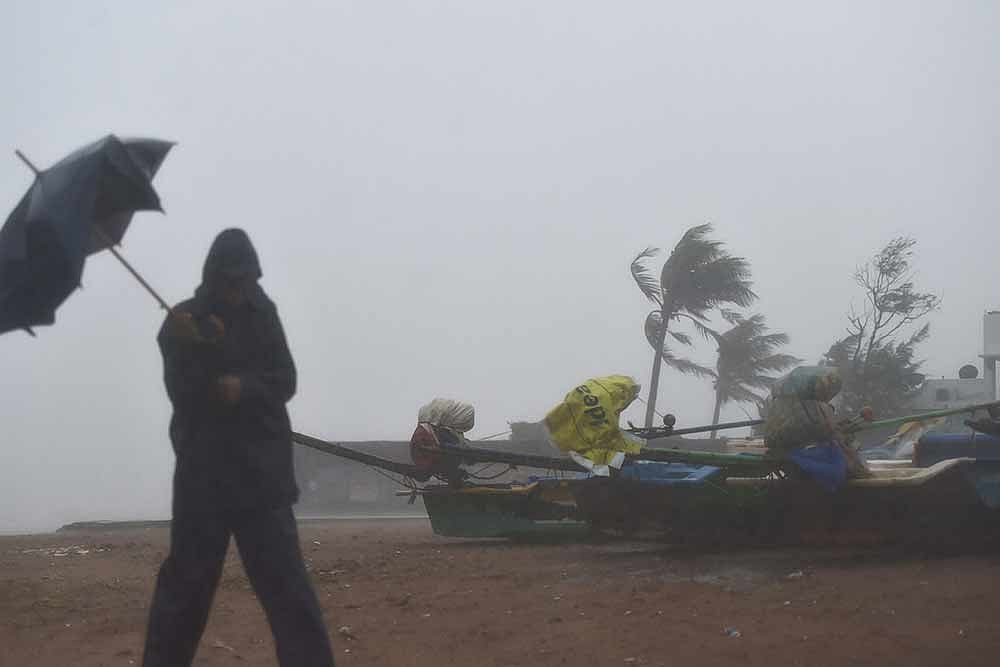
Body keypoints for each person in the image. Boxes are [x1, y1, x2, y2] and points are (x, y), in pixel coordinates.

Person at [143, 228, 335, 667]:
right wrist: (184, 344)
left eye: (242, 281)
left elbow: (285, 380)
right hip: (203, 479)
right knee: (184, 593)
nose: (235, 290)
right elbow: (184, 394)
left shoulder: (263, 313)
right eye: (228, 282)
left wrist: (243, 387)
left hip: (262, 478)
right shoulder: (180, 322)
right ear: (212, 278)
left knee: (289, 593)